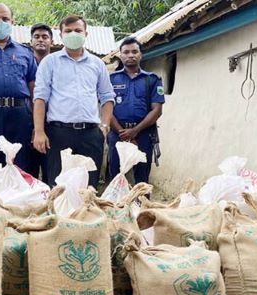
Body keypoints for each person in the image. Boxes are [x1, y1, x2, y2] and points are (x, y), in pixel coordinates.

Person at [32, 15, 115, 188]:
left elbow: (107, 97)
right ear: (61, 35)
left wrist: (105, 126)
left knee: (88, 187)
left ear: (86, 34)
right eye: (68, 31)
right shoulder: (49, 62)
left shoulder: (97, 64)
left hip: (90, 135)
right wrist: (39, 131)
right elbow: (40, 98)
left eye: (78, 30)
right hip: (59, 134)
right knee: (59, 186)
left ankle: (85, 215)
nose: (73, 34)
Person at [0, 3, 38, 174]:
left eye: (5, 19)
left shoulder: (25, 52)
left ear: (12, 21)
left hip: (20, 114)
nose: (1, 22)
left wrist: (35, 123)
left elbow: (33, 89)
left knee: (20, 163)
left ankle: (17, 200)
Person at [108, 37, 164, 184]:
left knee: (142, 179)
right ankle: (117, 207)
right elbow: (106, 109)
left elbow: (157, 110)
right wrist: (123, 133)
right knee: (116, 177)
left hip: (144, 135)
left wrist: (135, 131)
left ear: (140, 55)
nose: (130, 55)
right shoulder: (111, 79)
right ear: (120, 55)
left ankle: (143, 206)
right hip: (117, 134)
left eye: (134, 51)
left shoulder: (152, 79)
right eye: (126, 52)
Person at [29, 23, 53, 182]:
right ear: (31, 41)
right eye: (36, 37)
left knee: (50, 170)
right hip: (27, 124)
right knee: (28, 170)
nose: (41, 40)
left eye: (45, 37)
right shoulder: (25, 63)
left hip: (53, 125)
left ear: (51, 41)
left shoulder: (58, 64)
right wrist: (35, 127)